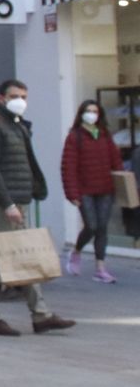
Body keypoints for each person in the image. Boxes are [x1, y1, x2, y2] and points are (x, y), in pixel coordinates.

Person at [0, 79, 75, 335]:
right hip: (1, 203)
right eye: (14, 96)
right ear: (1, 98)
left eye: (24, 96)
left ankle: (41, 314)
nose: (20, 101)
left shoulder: (15, 124)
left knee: (23, 255)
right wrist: (7, 203)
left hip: (18, 200)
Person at [61, 98, 123, 283]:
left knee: (102, 227)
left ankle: (100, 268)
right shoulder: (75, 136)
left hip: (105, 188)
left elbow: (116, 161)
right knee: (91, 226)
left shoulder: (104, 134)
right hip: (85, 190)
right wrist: (72, 193)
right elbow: (68, 167)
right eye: (88, 111)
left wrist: (123, 184)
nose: (92, 115)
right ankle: (76, 251)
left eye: (95, 111)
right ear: (81, 114)